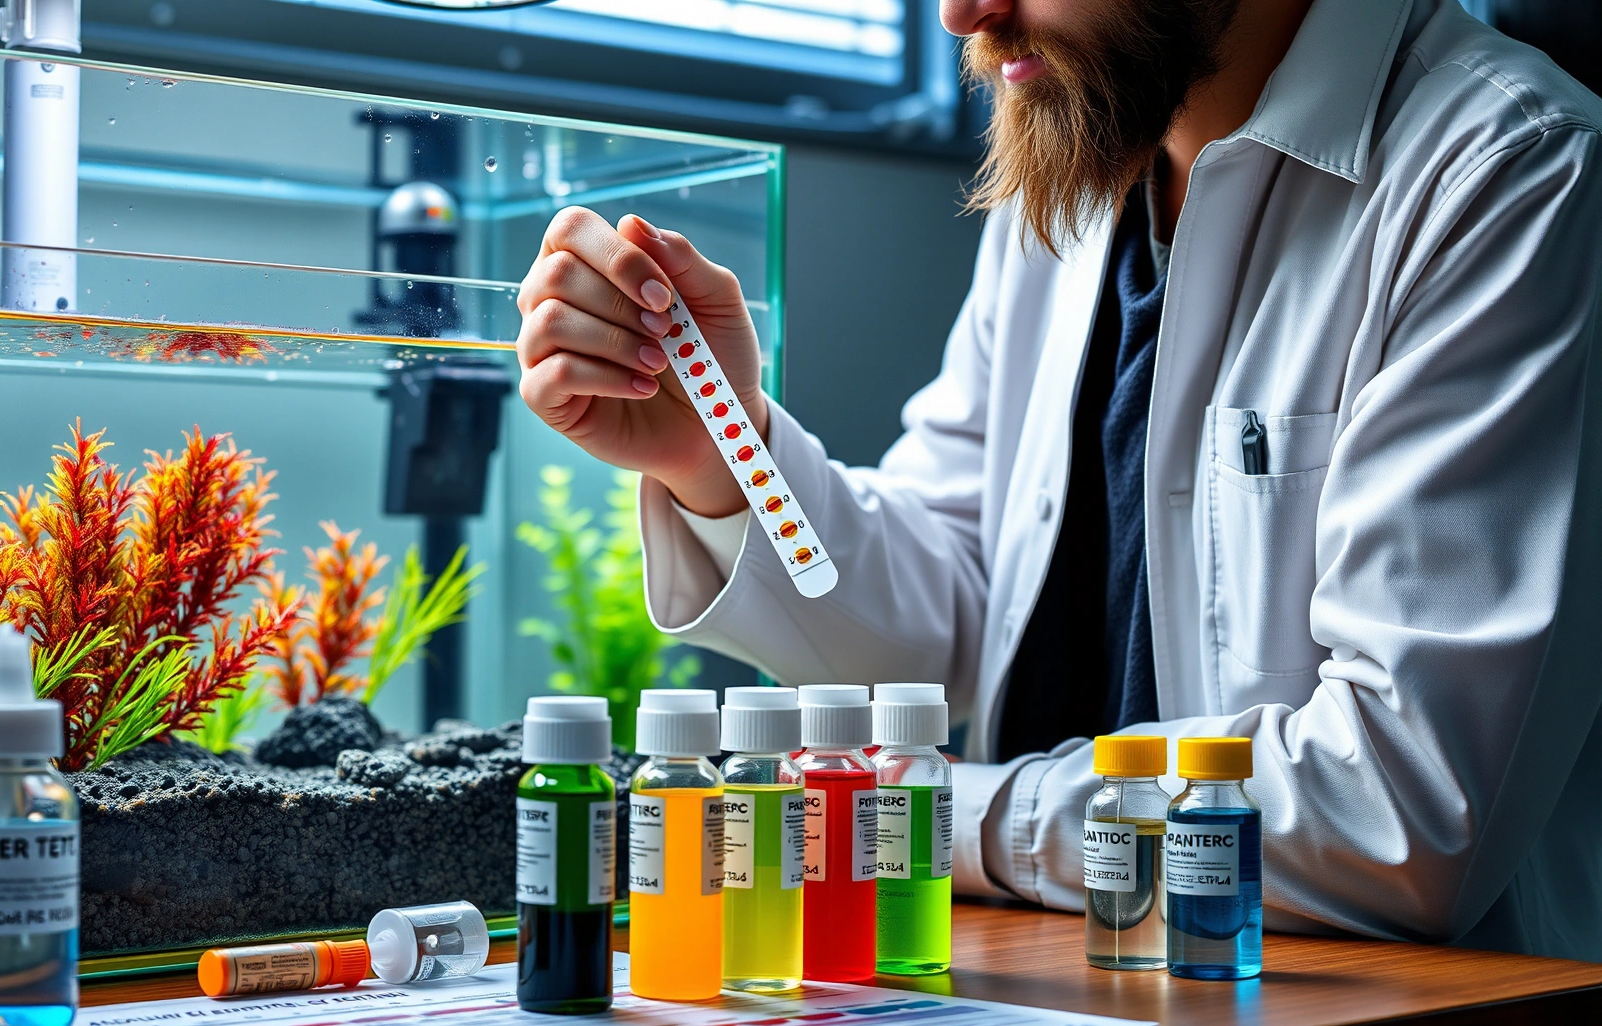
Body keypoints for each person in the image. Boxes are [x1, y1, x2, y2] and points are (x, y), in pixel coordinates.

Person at [513, 0, 1602, 961]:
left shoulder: (1507, 171)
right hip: (1058, 987)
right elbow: (949, 619)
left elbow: (1402, 809)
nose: (959, 14)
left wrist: (952, 814)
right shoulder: (1083, 156)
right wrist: (719, 453)